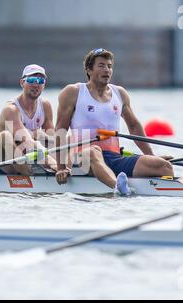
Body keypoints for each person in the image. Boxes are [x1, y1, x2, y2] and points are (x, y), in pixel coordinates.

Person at [55, 48, 174, 194]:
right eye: (101, 65)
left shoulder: (119, 93)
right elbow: (60, 130)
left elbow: (134, 126)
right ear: (89, 70)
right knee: (93, 151)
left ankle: (122, 182)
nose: (107, 70)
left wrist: (151, 155)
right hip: (82, 158)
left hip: (114, 157)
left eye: (109, 66)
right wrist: (61, 168)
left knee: (164, 167)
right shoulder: (73, 92)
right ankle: (119, 188)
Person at [0, 64, 58, 175]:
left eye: (40, 81)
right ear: (22, 83)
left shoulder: (45, 106)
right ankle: (34, 174)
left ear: (44, 85)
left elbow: (53, 139)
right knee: (5, 136)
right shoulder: (11, 109)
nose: (36, 84)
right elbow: (25, 141)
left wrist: (42, 136)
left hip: (32, 156)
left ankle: (47, 171)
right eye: (31, 80)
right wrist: (52, 163)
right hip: (6, 163)